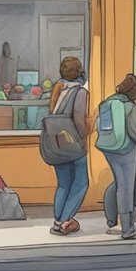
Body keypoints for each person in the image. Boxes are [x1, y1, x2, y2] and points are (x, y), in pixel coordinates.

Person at [98, 74, 136, 240]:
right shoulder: (130, 107)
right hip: (125, 149)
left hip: (108, 147)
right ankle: (127, 228)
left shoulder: (108, 102)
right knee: (126, 187)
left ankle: (111, 219)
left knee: (118, 183)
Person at [47, 57, 90, 236]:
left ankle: (58, 220)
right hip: (73, 144)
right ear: (79, 71)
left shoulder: (58, 88)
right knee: (81, 183)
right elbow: (79, 118)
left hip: (56, 144)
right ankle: (66, 220)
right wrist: (84, 134)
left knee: (64, 184)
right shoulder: (80, 92)